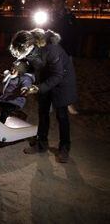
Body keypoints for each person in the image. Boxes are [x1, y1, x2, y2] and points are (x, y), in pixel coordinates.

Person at [9, 29, 77, 163]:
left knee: (62, 116)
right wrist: (18, 69)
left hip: (62, 82)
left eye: (24, 53)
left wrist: (37, 88)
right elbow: (30, 64)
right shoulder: (30, 47)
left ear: (29, 45)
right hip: (46, 78)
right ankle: (42, 144)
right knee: (43, 112)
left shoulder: (52, 49)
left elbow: (57, 75)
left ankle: (64, 148)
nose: (23, 56)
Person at [50, 0, 78, 114]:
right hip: (52, 52)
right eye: (53, 2)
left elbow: (74, 34)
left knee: (67, 78)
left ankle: (68, 103)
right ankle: (50, 103)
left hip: (66, 51)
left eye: (58, 2)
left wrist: (71, 50)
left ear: (63, 2)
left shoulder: (70, 17)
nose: (55, 5)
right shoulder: (49, 16)